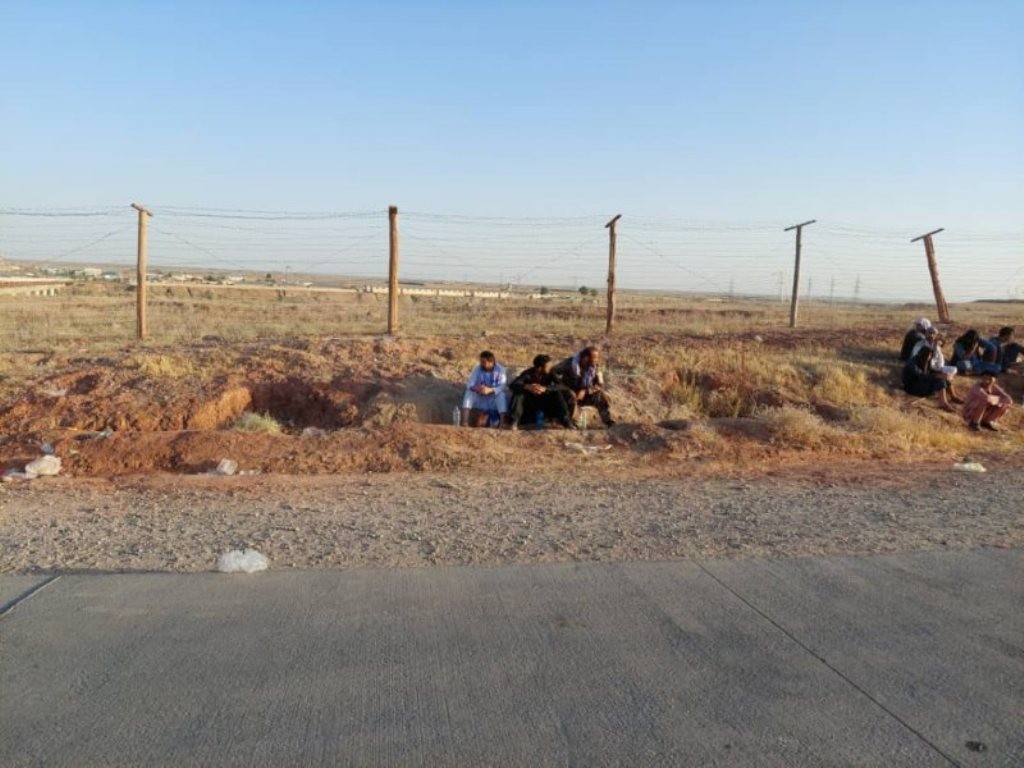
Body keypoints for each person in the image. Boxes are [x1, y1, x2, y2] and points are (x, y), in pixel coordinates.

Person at [552, 346, 615, 427]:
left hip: (585, 393)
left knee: (600, 396)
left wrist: (586, 391)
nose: (596, 361)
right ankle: (568, 421)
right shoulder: (568, 364)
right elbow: (553, 373)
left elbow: (600, 384)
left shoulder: (596, 366)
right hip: (568, 395)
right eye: (593, 359)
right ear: (585, 358)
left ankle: (608, 421)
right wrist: (568, 390)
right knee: (575, 417)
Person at [507, 354, 575, 430]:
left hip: (545, 403)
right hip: (530, 404)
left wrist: (546, 388)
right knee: (519, 393)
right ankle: (514, 422)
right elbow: (513, 385)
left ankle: (566, 422)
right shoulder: (528, 373)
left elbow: (562, 386)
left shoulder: (551, 373)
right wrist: (527, 387)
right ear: (539, 368)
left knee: (557, 393)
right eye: (548, 366)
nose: (550, 367)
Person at [460, 350, 509, 428]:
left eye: (484, 362)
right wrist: (478, 388)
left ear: (491, 362)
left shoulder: (501, 369)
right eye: (481, 362)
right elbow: (470, 384)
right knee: (469, 392)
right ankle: (464, 421)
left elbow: (502, 386)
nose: (482, 364)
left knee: (501, 395)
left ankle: (502, 423)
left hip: (493, 398)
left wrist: (490, 390)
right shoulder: (477, 369)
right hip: (481, 396)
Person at [901, 344, 957, 412]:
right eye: (928, 356)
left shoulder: (926, 361)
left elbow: (931, 371)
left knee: (944, 379)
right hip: (912, 387)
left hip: (921, 383)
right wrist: (937, 376)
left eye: (930, 356)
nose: (929, 358)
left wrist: (945, 375)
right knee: (940, 381)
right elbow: (921, 375)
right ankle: (943, 403)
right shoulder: (912, 363)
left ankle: (953, 396)